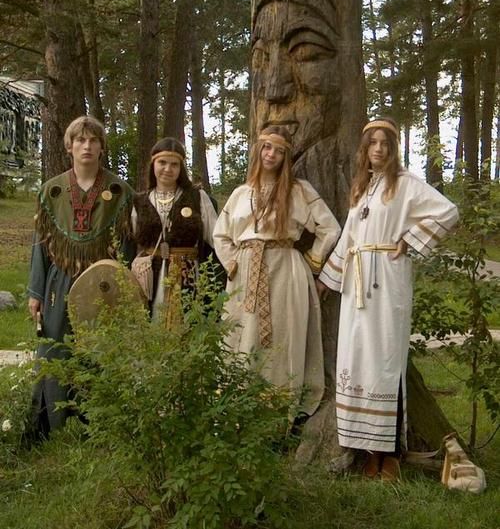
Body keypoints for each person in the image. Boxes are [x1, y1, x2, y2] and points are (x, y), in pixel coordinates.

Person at [317, 118, 459, 480]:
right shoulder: (362, 189)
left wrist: (409, 239)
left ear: (394, 149)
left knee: (386, 362)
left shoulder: (407, 184)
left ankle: (391, 453)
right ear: (364, 149)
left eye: (385, 144)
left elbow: (448, 212)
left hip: (387, 280)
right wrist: (328, 279)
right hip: (356, 284)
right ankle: (366, 451)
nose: (378, 149)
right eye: (373, 144)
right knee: (358, 361)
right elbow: (350, 235)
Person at [213, 125, 341, 416]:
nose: (271, 154)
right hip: (245, 273)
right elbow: (220, 235)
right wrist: (234, 263)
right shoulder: (241, 193)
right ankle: (241, 411)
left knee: (284, 337)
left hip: (286, 270)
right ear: (258, 150)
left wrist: (313, 261)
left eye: (279, 150)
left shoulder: (299, 191)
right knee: (243, 335)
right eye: (267, 147)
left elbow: (330, 228)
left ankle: (279, 414)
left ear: (286, 156)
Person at [27, 116, 134, 438]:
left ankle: (100, 423)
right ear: (69, 146)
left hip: (102, 282)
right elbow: (41, 245)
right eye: (80, 140)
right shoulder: (52, 191)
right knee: (54, 346)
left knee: (99, 348)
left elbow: (127, 244)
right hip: (59, 280)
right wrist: (36, 292)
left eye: (93, 140)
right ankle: (51, 424)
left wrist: (124, 289)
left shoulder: (119, 190)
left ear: (102, 147)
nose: (86, 146)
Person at [132, 137, 218, 323]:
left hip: (187, 275)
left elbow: (216, 237)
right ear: (153, 164)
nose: (168, 169)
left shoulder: (197, 197)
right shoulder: (139, 201)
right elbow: (132, 243)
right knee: (150, 325)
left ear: (181, 168)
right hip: (149, 277)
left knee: (186, 324)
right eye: (162, 162)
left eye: (174, 164)